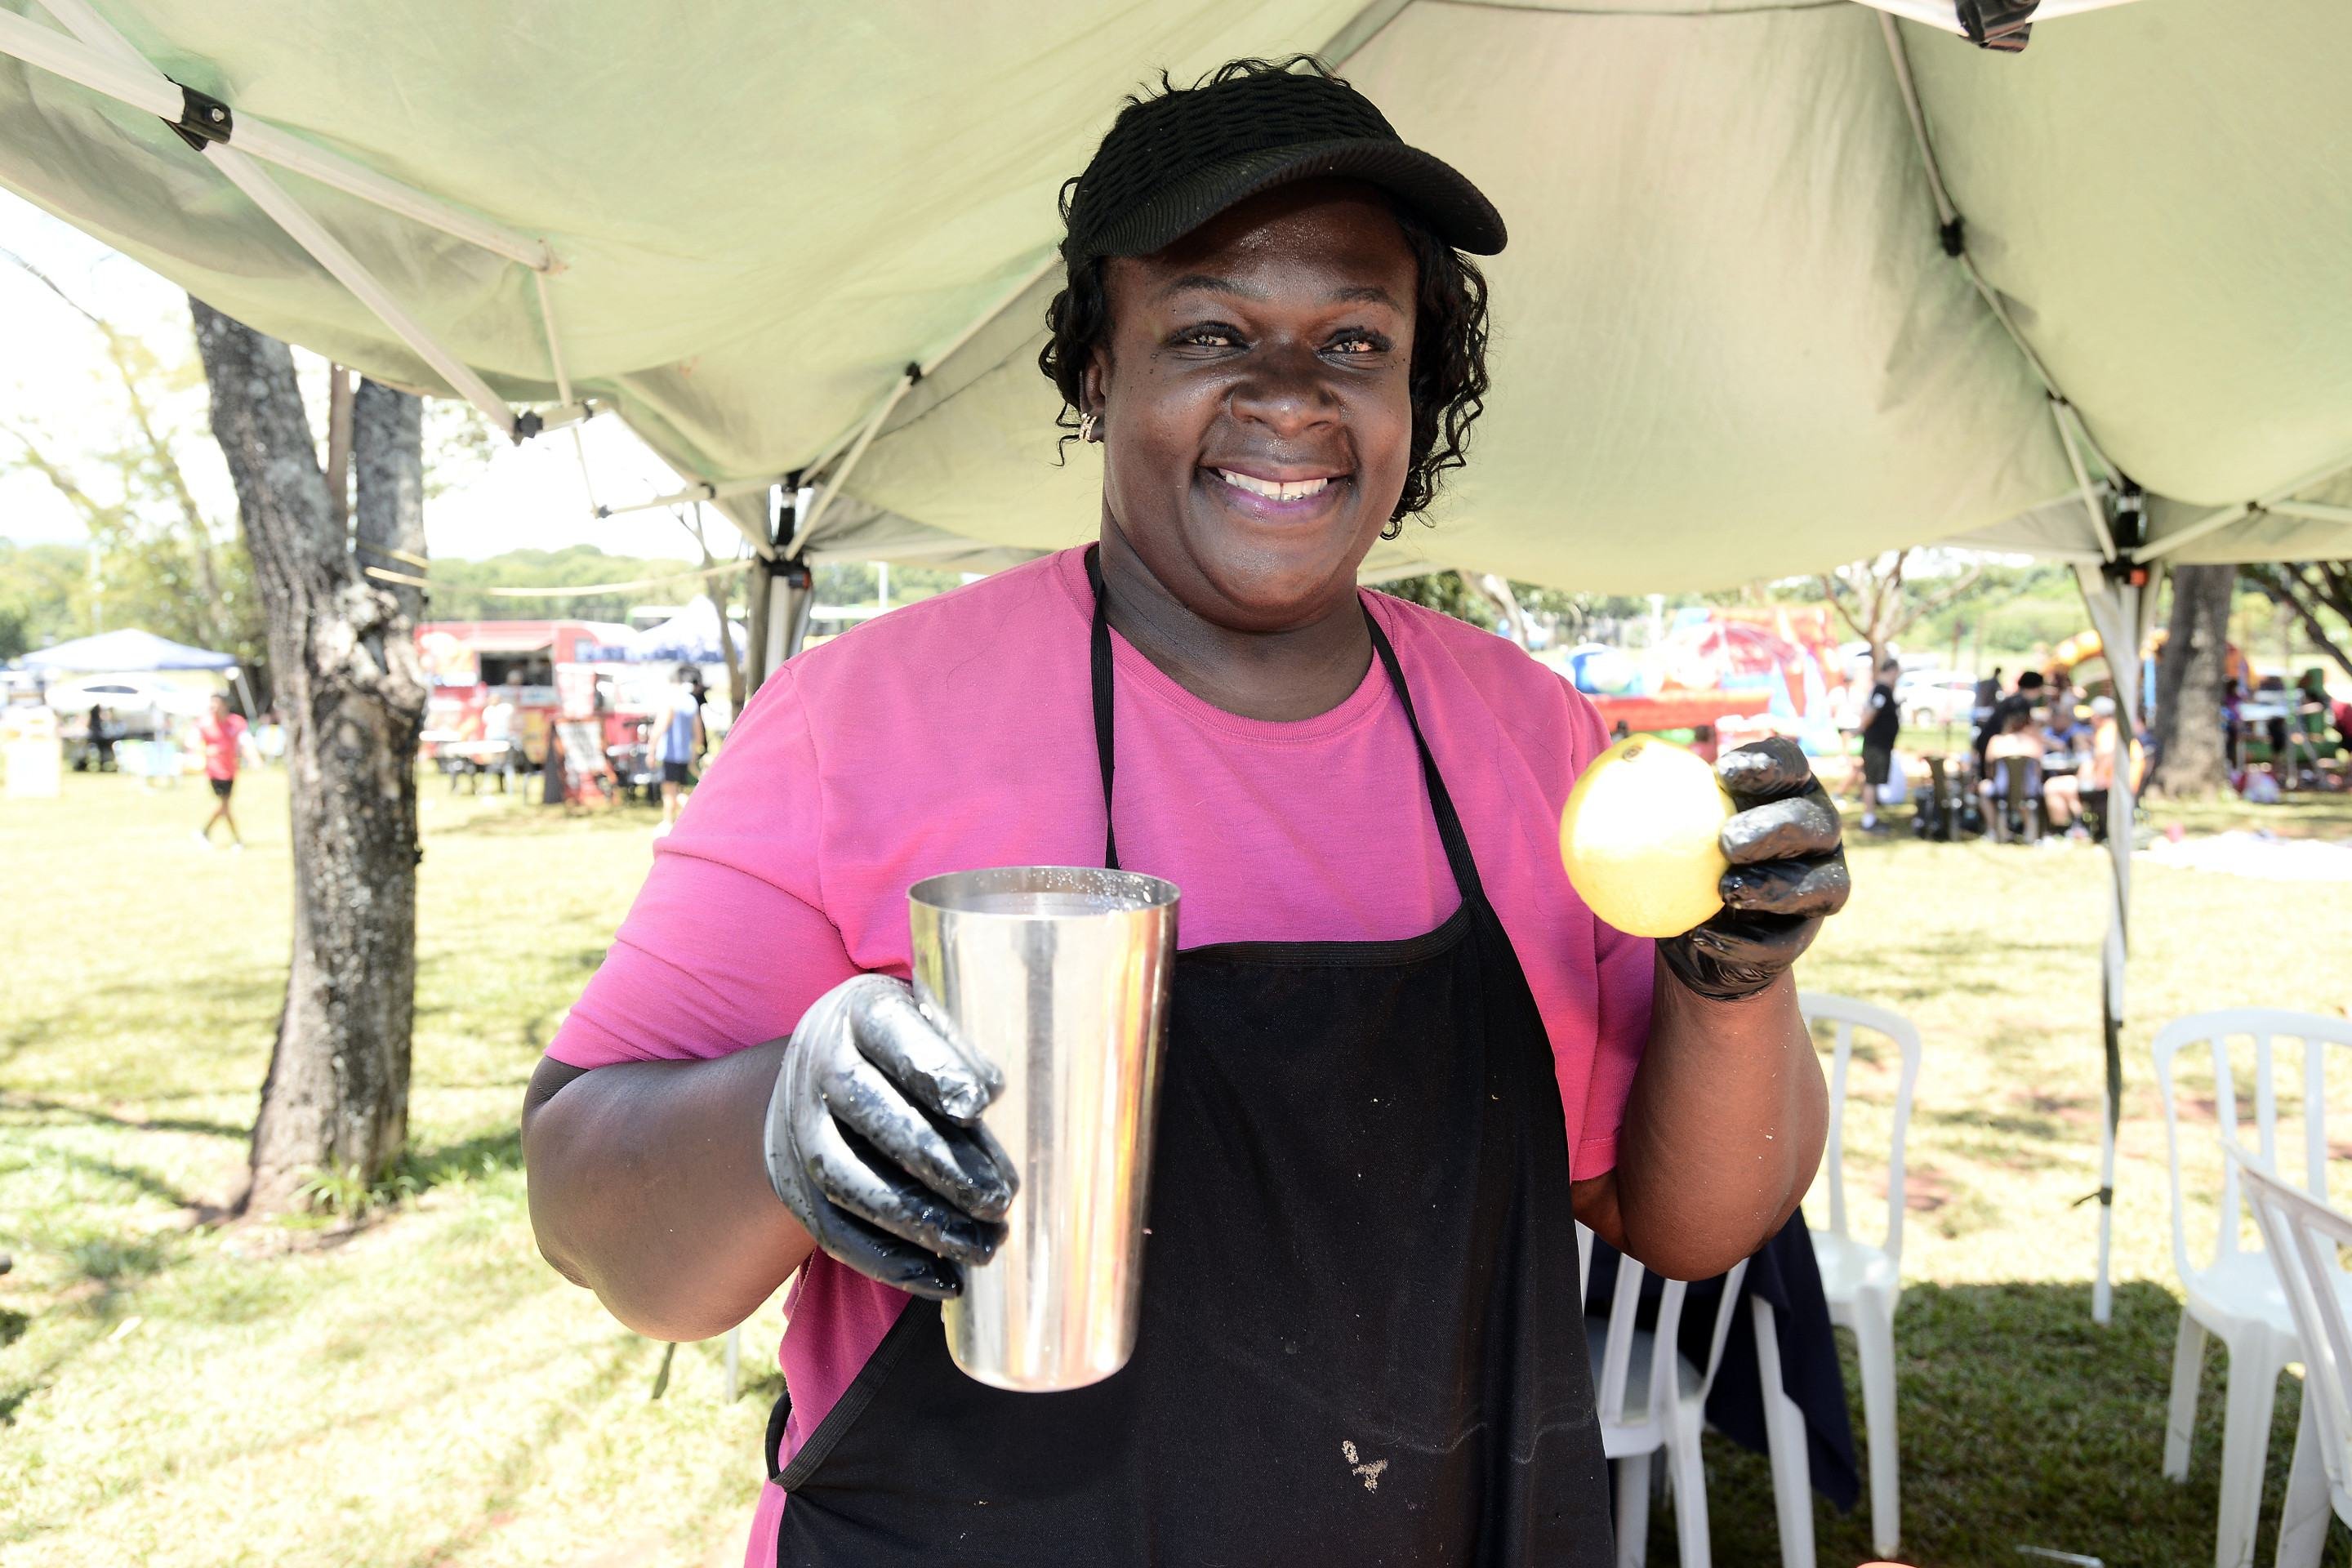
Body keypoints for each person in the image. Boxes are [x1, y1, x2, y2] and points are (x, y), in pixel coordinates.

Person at [521, 58, 1846, 1566]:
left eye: (1356, 339)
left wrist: (1735, 989)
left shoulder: (1527, 736)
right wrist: (780, 1114)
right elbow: (590, 1213)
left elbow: (1687, 1224)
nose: (1290, 397)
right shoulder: (864, 719)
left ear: (1419, 387)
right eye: (1211, 330)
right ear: (1100, 367)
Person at [647, 662, 705, 836]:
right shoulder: (690, 701)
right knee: (677, 790)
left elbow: (661, 726)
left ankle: (669, 822)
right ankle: (691, 815)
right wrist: (694, 753)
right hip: (685, 753)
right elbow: (698, 731)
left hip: (670, 753)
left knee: (670, 790)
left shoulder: (670, 700)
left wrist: (651, 749)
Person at [194, 692, 250, 849]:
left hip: (231, 770)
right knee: (225, 805)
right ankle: (236, 839)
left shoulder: (236, 723)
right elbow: (192, 744)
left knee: (225, 806)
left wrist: (253, 758)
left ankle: (205, 832)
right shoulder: (204, 724)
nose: (213, 706)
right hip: (215, 771)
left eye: (216, 703)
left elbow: (244, 743)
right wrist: (207, 751)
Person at [1857, 656, 1900, 832]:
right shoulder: (1882, 690)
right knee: (1872, 780)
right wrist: (1859, 729)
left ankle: (1872, 815)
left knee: (1873, 780)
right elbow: (1871, 713)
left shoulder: (1880, 690)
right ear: (1892, 671)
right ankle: (1869, 819)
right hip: (1876, 744)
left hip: (1880, 744)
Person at [86, 701, 114, 772]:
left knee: (99, 753)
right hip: (99, 739)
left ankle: (100, 764)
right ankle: (101, 764)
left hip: (96, 738)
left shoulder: (94, 721)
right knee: (101, 753)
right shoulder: (97, 721)